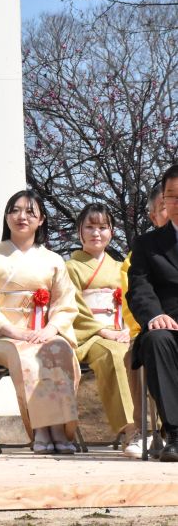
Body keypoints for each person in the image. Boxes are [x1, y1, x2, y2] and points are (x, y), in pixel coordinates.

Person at [0, 190, 79, 454]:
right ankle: (41, 429)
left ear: (41, 219)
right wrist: (15, 332)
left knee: (60, 349)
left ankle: (59, 428)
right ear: (7, 216)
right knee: (27, 356)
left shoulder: (54, 260)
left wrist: (50, 329)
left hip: (42, 333)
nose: (22, 217)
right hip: (4, 336)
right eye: (15, 210)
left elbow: (64, 303)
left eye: (30, 212)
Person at [66, 203, 136, 447]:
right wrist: (103, 331)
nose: (96, 233)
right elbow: (71, 307)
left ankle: (161, 427)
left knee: (148, 352)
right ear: (79, 231)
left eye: (103, 227)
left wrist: (128, 329)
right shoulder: (70, 268)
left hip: (121, 330)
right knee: (114, 353)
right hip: (89, 335)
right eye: (90, 227)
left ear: (112, 232)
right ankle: (132, 428)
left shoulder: (121, 268)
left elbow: (132, 302)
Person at [128, 163, 178, 462]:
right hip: (168, 325)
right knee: (156, 340)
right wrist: (153, 315)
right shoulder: (147, 244)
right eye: (171, 195)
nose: (176, 202)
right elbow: (139, 287)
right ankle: (174, 433)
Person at [120, 182, 170, 457]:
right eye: (164, 207)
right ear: (153, 216)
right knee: (140, 355)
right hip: (151, 330)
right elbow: (133, 299)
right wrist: (153, 321)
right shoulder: (141, 252)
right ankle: (144, 430)